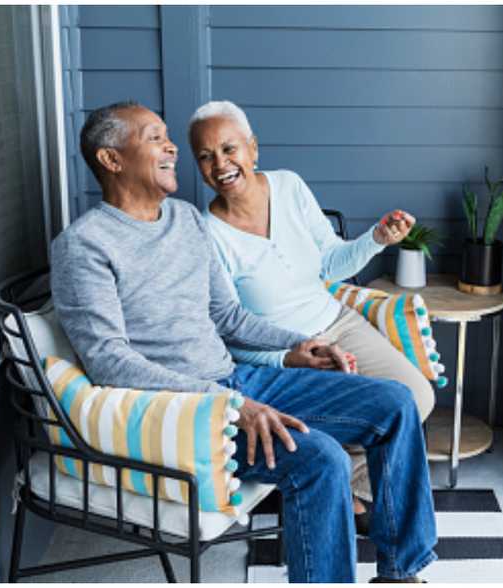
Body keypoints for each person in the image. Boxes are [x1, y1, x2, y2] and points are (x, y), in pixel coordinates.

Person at [50, 100, 437, 583]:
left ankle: (401, 573)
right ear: (112, 160)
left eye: (168, 136)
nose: (172, 146)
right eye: (154, 137)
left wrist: (301, 344)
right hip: (188, 412)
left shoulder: (186, 220)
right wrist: (228, 404)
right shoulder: (84, 246)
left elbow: (228, 316)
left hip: (238, 381)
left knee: (396, 402)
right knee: (321, 460)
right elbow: (109, 362)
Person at [187, 100, 435, 520]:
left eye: (230, 149)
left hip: (336, 321)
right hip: (283, 358)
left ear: (253, 148)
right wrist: (290, 355)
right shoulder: (205, 232)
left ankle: (344, 479)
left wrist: (376, 238)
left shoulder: (288, 186)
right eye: (206, 156)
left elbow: (330, 264)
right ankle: (348, 495)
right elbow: (227, 332)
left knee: (418, 398)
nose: (221, 164)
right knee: (372, 415)